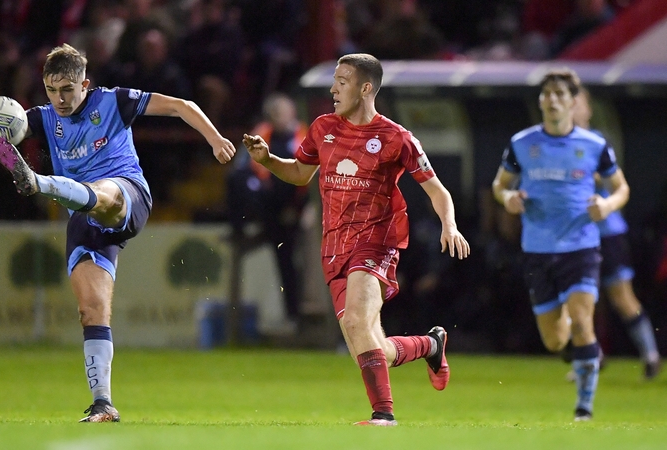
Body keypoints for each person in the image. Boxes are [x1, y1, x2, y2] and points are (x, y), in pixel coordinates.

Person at [0, 43, 236, 422]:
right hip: (83, 218)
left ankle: (40, 183)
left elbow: (180, 105)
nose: (60, 99)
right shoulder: (41, 117)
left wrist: (215, 138)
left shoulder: (113, 101)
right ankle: (103, 403)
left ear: (84, 84)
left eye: (68, 89)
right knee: (91, 311)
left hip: (127, 195)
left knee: (104, 193)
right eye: (52, 91)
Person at [242, 53, 470, 426]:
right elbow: (300, 174)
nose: (333, 89)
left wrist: (450, 225)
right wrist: (267, 160)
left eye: (342, 81)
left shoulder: (397, 138)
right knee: (370, 344)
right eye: (334, 80)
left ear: (366, 88)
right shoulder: (322, 128)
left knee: (357, 323)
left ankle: (384, 416)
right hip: (335, 247)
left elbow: (437, 190)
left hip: (376, 241)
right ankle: (430, 344)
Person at [492, 68, 630, 421]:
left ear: (573, 102)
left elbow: (621, 189)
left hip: (581, 246)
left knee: (584, 322)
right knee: (554, 340)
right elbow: (499, 185)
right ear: (541, 100)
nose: (552, 99)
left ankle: (584, 408)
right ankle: (572, 335)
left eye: (559, 94)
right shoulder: (522, 143)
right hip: (537, 250)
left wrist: (606, 206)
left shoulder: (594, 145)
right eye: (547, 94)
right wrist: (508, 198)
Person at [572, 88, 661, 379]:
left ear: (587, 109)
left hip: (607, 233)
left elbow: (615, 184)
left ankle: (650, 354)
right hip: (576, 234)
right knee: (582, 300)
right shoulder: (554, 146)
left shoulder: (597, 143)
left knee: (622, 297)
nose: (571, 109)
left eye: (577, 103)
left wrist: (586, 177)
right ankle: (590, 357)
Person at [226, 92, 308, 332]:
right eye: (274, 114)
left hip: (293, 206)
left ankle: (293, 314)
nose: (277, 118)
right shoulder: (261, 134)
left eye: (281, 112)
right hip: (266, 204)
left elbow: (311, 178)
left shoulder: (304, 137)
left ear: (292, 113)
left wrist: (301, 210)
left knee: (287, 262)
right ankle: (239, 228)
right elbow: (242, 168)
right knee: (237, 178)